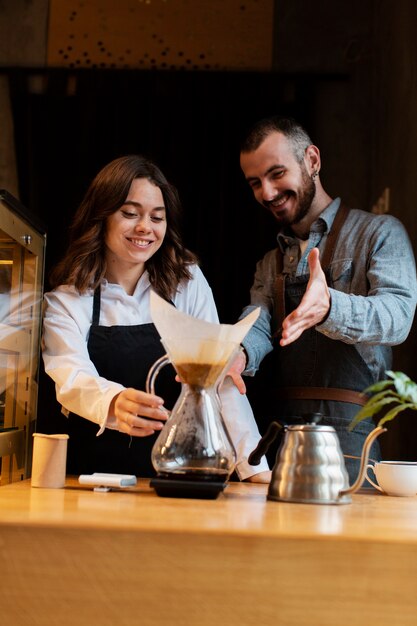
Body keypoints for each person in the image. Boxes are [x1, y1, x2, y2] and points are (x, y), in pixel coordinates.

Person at [41, 154, 270, 482]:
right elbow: (71, 377)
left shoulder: (186, 281)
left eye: (157, 217)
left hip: (181, 472)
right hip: (92, 478)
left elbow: (219, 378)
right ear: (101, 216)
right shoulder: (68, 298)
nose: (145, 228)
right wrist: (115, 401)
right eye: (130, 214)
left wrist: (255, 470)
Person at [229, 115, 417, 483]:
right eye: (255, 183)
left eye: (277, 173)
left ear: (312, 161)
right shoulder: (269, 263)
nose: (267, 192)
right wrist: (236, 353)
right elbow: (258, 322)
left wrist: (330, 307)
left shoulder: (379, 233)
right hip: (282, 437)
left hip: (351, 441)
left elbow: (398, 316)